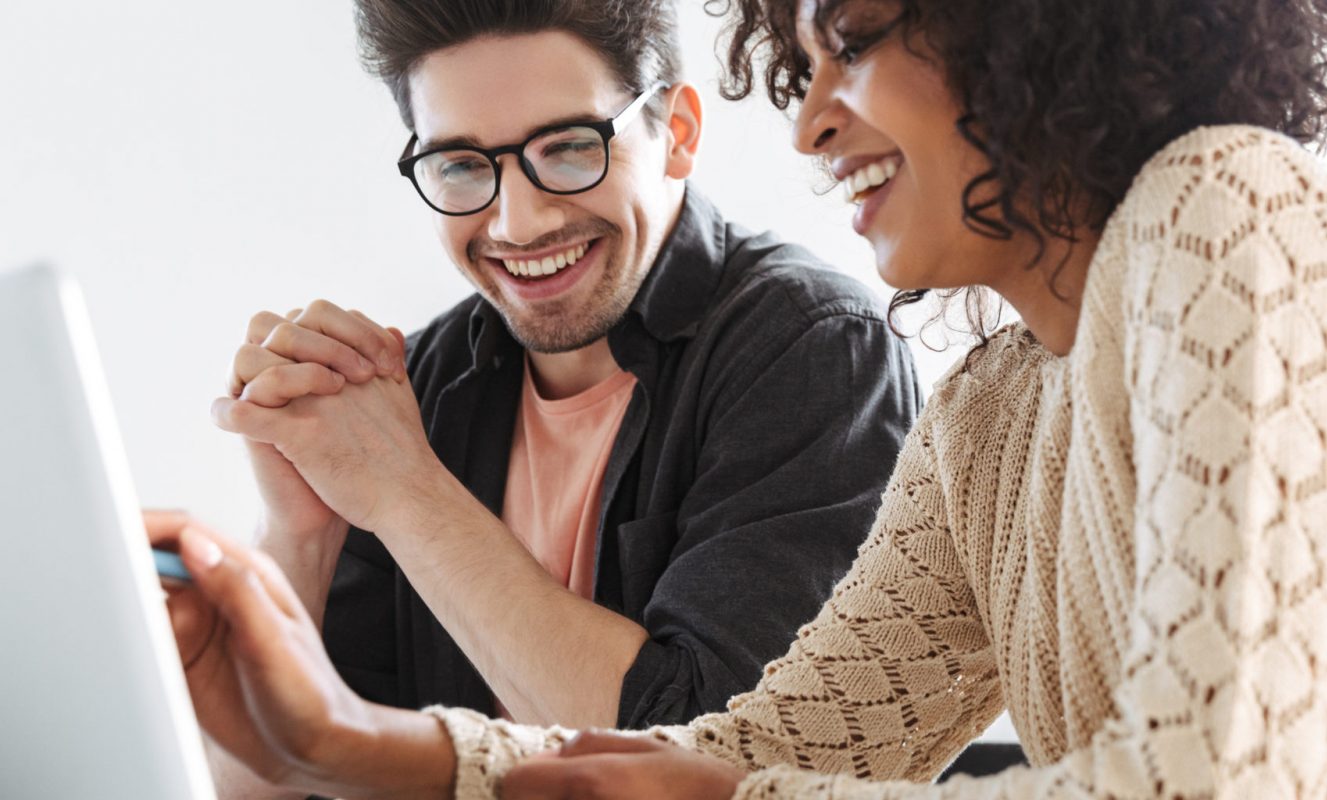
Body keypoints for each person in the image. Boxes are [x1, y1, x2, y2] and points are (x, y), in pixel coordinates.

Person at [159, 0, 1327, 796]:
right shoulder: (991, 413)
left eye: (853, 38)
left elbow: (1204, 787)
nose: (805, 114)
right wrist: (344, 741)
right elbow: (758, 744)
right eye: (800, 55)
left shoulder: (1230, 209)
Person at [204, 2, 920, 790]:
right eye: (462, 166)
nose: (518, 221)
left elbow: (714, 766)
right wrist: (300, 537)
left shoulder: (816, 348)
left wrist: (405, 493)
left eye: (570, 148)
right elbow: (261, 781)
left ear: (677, 133)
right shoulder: (422, 391)